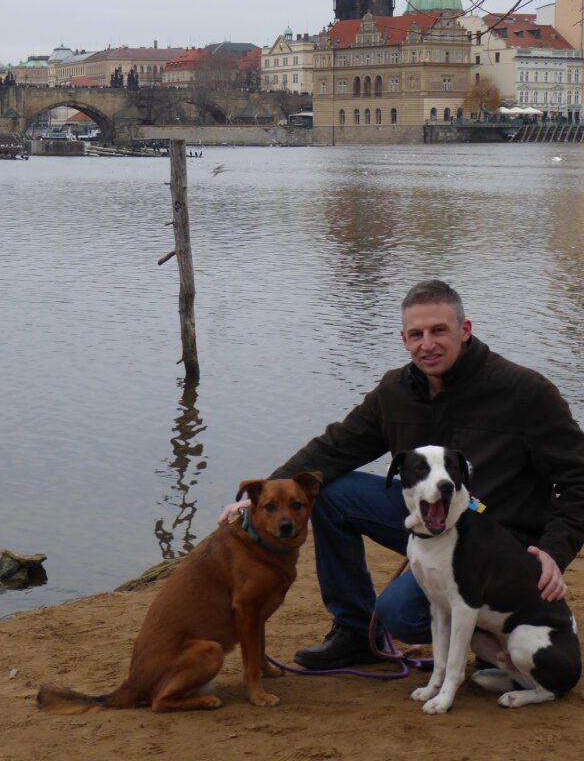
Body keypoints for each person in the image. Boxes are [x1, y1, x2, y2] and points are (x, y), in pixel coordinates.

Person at [219, 280, 584, 670]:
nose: (427, 344)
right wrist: (253, 499)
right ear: (403, 339)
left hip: (494, 542)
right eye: (417, 334)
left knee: (403, 615)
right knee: (328, 491)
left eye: (439, 331)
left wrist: (553, 550)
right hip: (426, 520)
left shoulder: (524, 392)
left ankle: (499, 629)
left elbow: (578, 477)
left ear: (465, 330)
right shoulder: (395, 390)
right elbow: (335, 447)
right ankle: (356, 631)